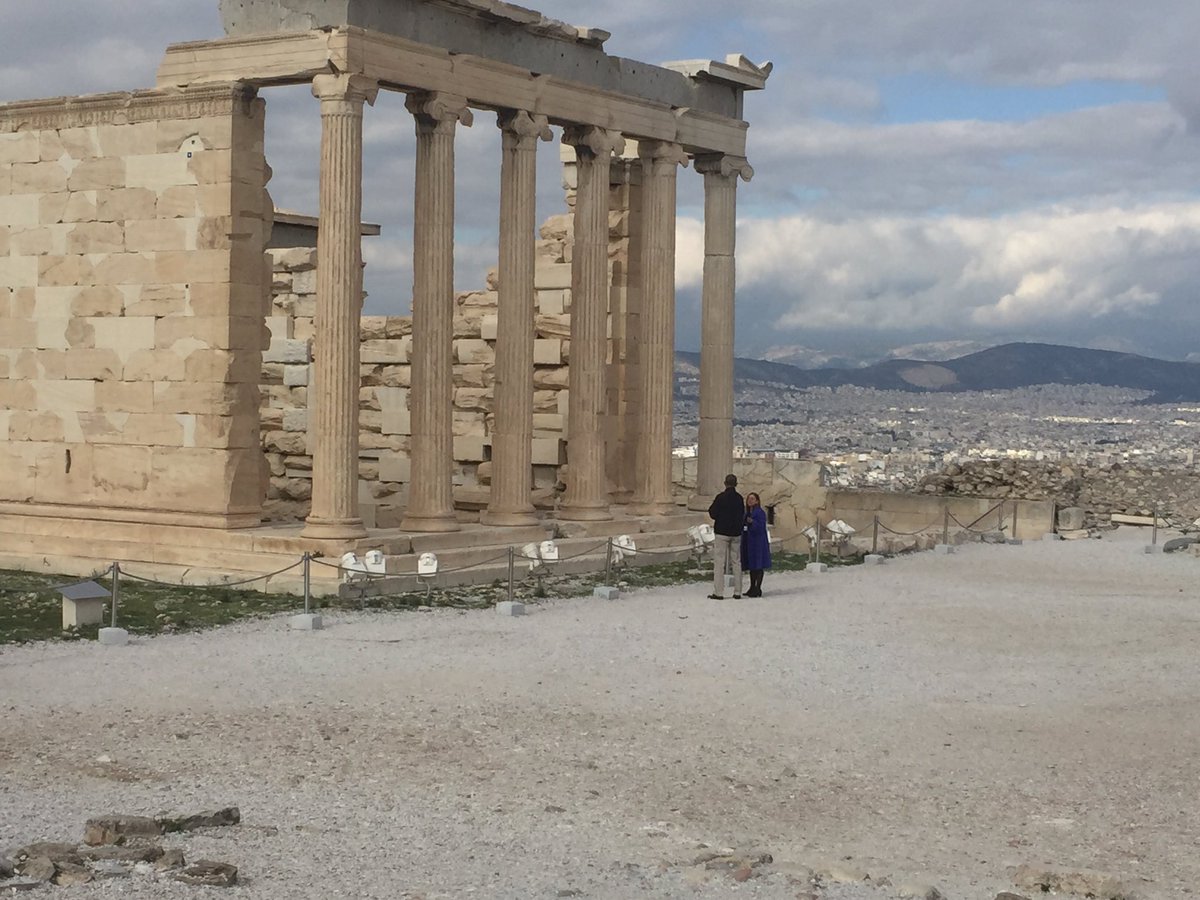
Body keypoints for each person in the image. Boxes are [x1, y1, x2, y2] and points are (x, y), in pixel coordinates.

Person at [707, 473, 745, 599]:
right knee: (736, 562)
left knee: (719, 562)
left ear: (725, 483)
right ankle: (738, 591)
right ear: (736, 484)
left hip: (722, 532)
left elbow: (712, 513)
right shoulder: (739, 498)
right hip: (736, 532)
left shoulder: (721, 497)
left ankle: (719, 592)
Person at [741, 492, 772, 596]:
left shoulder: (760, 512)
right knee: (752, 565)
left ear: (757, 501)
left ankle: (758, 588)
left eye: (752, 499)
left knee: (758, 565)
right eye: (749, 498)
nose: (750, 500)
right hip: (749, 542)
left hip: (758, 542)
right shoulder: (747, 513)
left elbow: (761, 526)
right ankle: (751, 587)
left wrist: (752, 522)